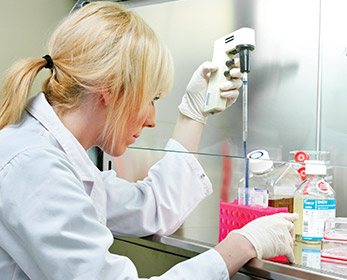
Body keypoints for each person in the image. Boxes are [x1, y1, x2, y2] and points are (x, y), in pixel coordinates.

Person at [0, 2, 298, 279]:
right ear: (110, 90)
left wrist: (193, 115)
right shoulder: (35, 166)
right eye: (151, 98)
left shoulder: (57, 158)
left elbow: (153, 207)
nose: (153, 119)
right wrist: (240, 246)